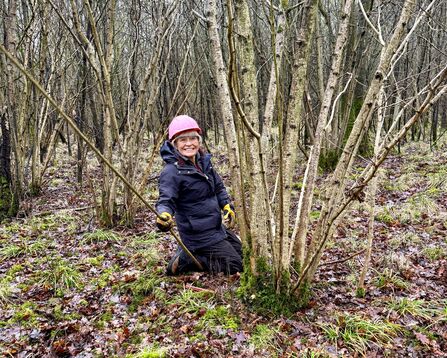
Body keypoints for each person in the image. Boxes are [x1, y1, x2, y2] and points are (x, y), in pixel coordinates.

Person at [155, 115, 243, 276]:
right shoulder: (171, 172)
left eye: (193, 138)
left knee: (243, 255)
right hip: (198, 235)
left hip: (215, 227)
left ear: (199, 140)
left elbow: (218, 187)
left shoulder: (204, 162)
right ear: (175, 144)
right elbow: (166, 200)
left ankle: (188, 252)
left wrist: (226, 206)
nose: (189, 143)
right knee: (235, 265)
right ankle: (186, 259)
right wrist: (164, 214)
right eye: (183, 140)